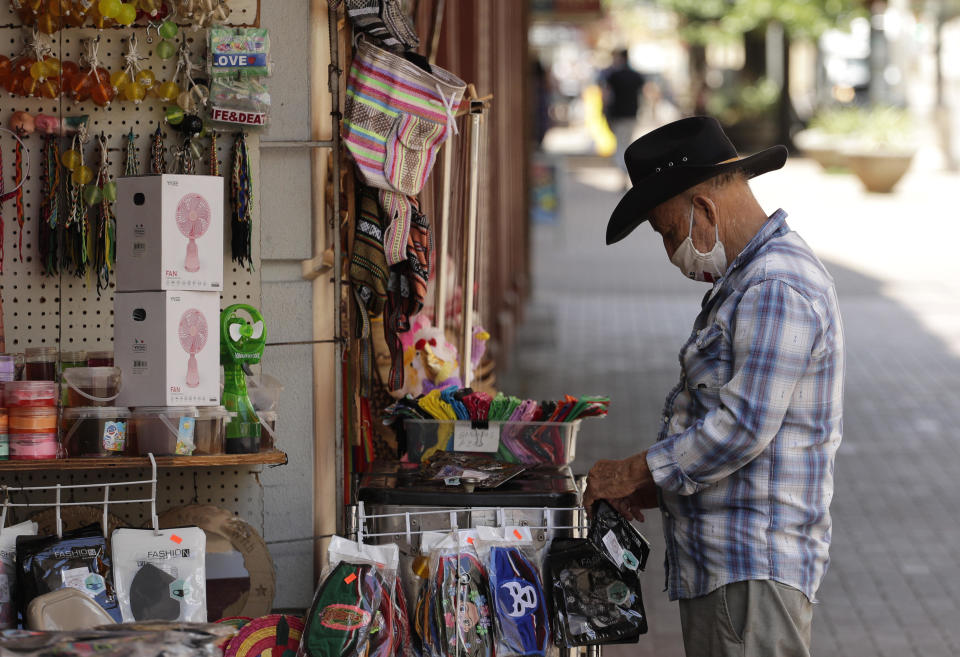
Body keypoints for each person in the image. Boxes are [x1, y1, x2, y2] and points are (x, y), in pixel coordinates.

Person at [584, 116, 845, 657]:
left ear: (703, 210)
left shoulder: (775, 286)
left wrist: (633, 470)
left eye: (668, 232)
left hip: (750, 571)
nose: (670, 251)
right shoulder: (750, 281)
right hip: (733, 573)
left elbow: (742, 427)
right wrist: (652, 486)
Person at [601, 48, 645, 187]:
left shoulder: (614, 75)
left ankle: (624, 172)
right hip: (631, 115)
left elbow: (607, 95)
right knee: (627, 144)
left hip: (618, 116)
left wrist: (604, 110)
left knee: (620, 146)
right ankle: (625, 175)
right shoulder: (636, 76)